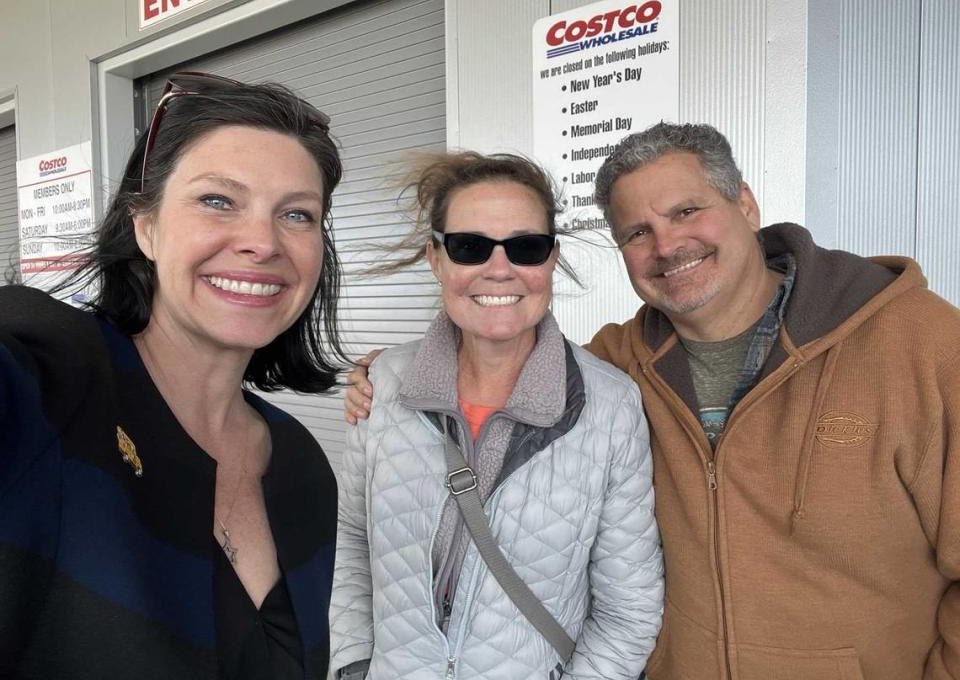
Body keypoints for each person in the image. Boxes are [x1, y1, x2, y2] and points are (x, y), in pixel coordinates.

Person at [345, 123, 960, 679]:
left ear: (744, 202)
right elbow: (513, 364)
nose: (667, 245)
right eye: (638, 232)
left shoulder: (923, 346)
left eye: (687, 210)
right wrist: (386, 374)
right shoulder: (620, 366)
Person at [0, 72, 346, 680]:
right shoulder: (51, 382)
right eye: (218, 200)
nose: (262, 242)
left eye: (297, 214)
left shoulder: (301, 464)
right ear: (146, 226)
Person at [329, 152, 663, 680]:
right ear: (436, 259)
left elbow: (630, 609)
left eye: (526, 247)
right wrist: (352, 666)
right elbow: (350, 543)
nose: (500, 269)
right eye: (470, 247)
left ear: (551, 259)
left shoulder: (610, 405)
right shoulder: (382, 384)